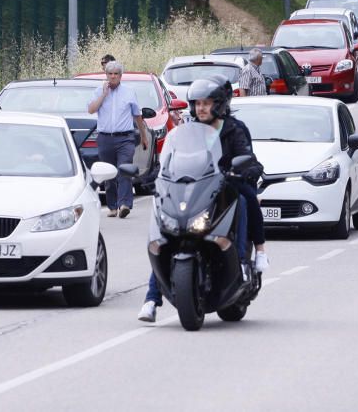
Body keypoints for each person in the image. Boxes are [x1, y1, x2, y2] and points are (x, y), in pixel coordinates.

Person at [138, 78, 268, 323]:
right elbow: (171, 159)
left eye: (207, 103)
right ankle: (151, 298)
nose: (202, 109)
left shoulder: (234, 129)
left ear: (219, 104)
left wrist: (245, 168)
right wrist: (153, 177)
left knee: (245, 198)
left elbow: (247, 156)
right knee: (168, 235)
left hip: (227, 185)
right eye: (198, 104)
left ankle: (250, 256)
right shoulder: (186, 131)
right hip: (197, 190)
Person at [87, 60, 149, 218]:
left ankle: (124, 204)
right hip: (105, 138)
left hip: (125, 138)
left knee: (124, 169)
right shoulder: (98, 91)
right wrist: (103, 94)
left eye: (116, 74)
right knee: (109, 173)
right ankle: (113, 206)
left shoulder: (129, 92)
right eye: (110, 74)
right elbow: (91, 110)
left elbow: (137, 115)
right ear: (106, 75)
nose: (113, 77)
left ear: (121, 76)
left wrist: (143, 136)